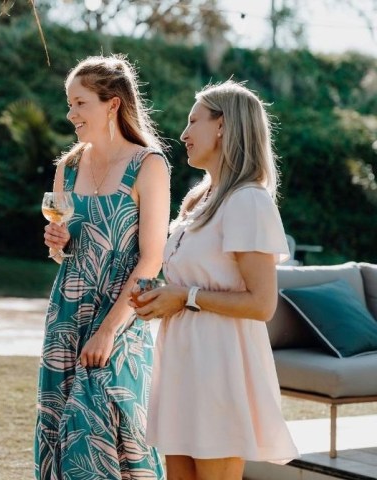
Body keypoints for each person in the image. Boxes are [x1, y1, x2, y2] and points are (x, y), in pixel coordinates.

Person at [133, 80, 299, 479]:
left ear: (222, 126)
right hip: (182, 359)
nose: (184, 134)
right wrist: (161, 297)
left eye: (194, 122)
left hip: (219, 365)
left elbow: (262, 304)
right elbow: (190, 280)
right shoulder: (199, 200)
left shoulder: (248, 201)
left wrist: (184, 297)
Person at [36, 55, 170, 479]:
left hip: (121, 316)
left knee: (114, 425)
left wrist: (109, 330)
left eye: (80, 103)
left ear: (111, 104)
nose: (70, 113)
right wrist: (59, 243)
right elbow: (66, 252)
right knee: (62, 424)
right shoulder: (68, 166)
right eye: (69, 103)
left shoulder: (148, 165)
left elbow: (152, 258)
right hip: (67, 314)